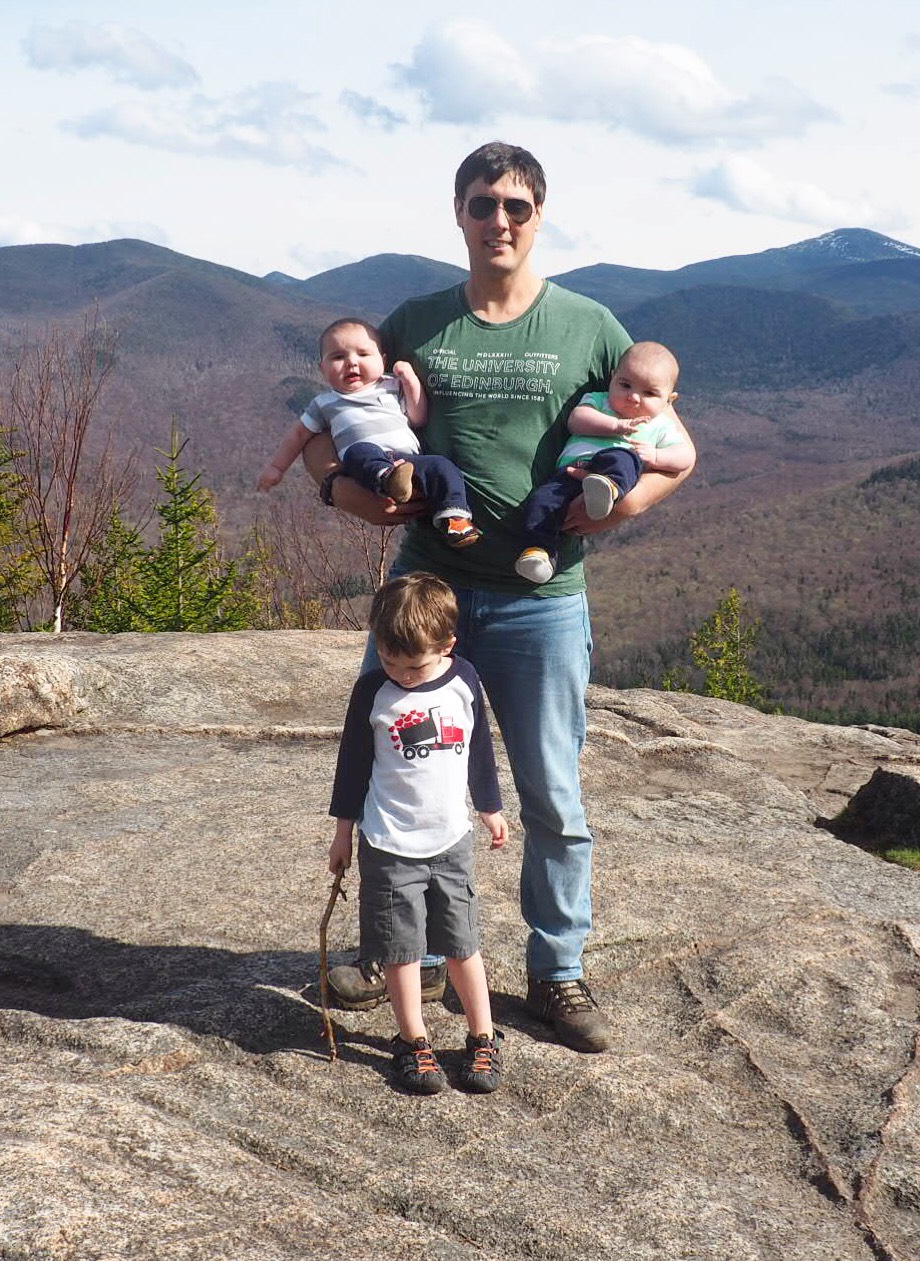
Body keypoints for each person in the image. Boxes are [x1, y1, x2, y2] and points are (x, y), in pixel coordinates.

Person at [308, 142, 696, 1053]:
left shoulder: (591, 327)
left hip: (540, 597)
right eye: (484, 204)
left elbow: (675, 440)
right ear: (458, 212)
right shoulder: (415, 322)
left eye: (517, 206)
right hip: (423, 596)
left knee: (552, 791)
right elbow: (329, 415)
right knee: (390, 770)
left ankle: (556, 970)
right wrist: (339, 489)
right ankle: (393, 947)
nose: (500, 221)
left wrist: (619, 508)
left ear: (538, 214)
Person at [328, 573, 508, 1094]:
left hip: (451, 841)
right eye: (389, 661)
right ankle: (414, 1040)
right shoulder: (372, 691)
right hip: (388, 844)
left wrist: (491, 808)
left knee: (462, 944)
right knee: (400, 951)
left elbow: (479, 749)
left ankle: (483, 1035)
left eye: (414, 666)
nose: (401, 675)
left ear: (448, 646)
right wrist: (344, 833)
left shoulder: (464, 680)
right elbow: (353, 765)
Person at [257, 317, 479, 548]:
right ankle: (386, 478)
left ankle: (455, 518)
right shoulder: (325, 403)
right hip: (367, 467)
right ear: (322, 368)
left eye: (363, 354)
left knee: (442, 466)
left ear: (382, 361)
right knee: (358, 451)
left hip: (410, 461)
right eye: (338, 357)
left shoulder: (392, 387)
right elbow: (299, 435)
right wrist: (276, 468)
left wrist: (410, 381)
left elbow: (418, 416)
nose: (351, 363)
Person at [515, 341, 691, 584]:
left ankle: (608, 488)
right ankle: (539, 552)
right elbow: (577, 420)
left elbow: (685, 457)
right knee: (543, 500)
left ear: (669, 400)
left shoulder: (659, 424)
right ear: (612, 379)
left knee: (621, 457)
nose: (634, 397)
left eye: (649, 393)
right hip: (570, 474)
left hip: (614, 471)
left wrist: (657, 456)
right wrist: (616, 426)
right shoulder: (598, 401)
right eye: (625, 385)